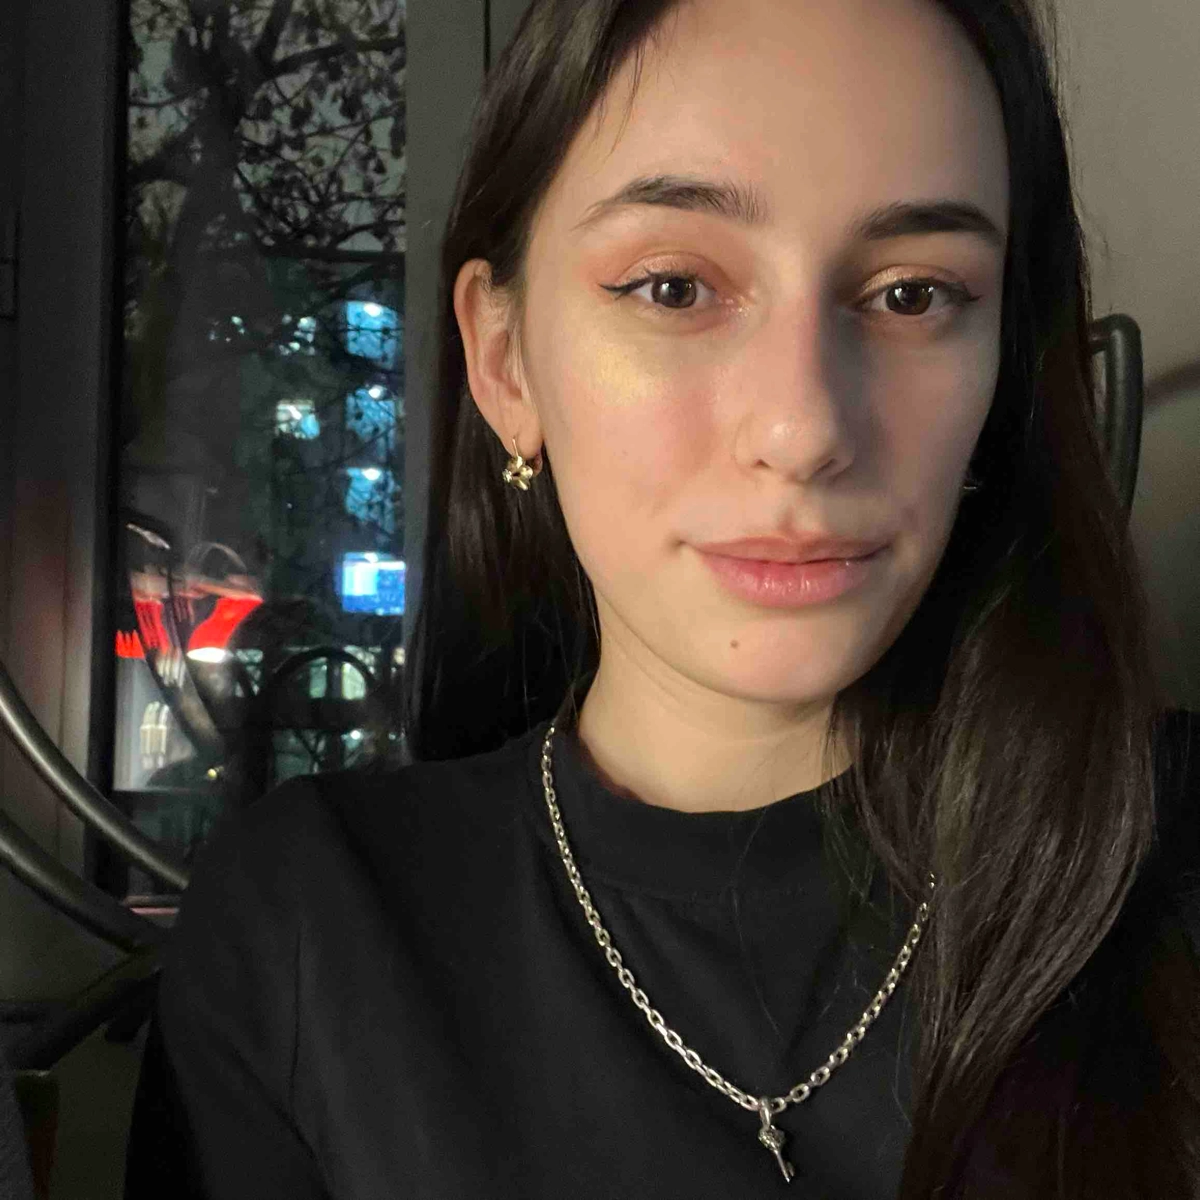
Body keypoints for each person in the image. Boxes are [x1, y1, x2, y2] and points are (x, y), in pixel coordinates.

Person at [123, 0, 1200, 1196]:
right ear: (506, 362)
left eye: (913, 295)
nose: (803, 429)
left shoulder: (1167, 873)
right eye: (675, 287)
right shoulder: (308, 932)